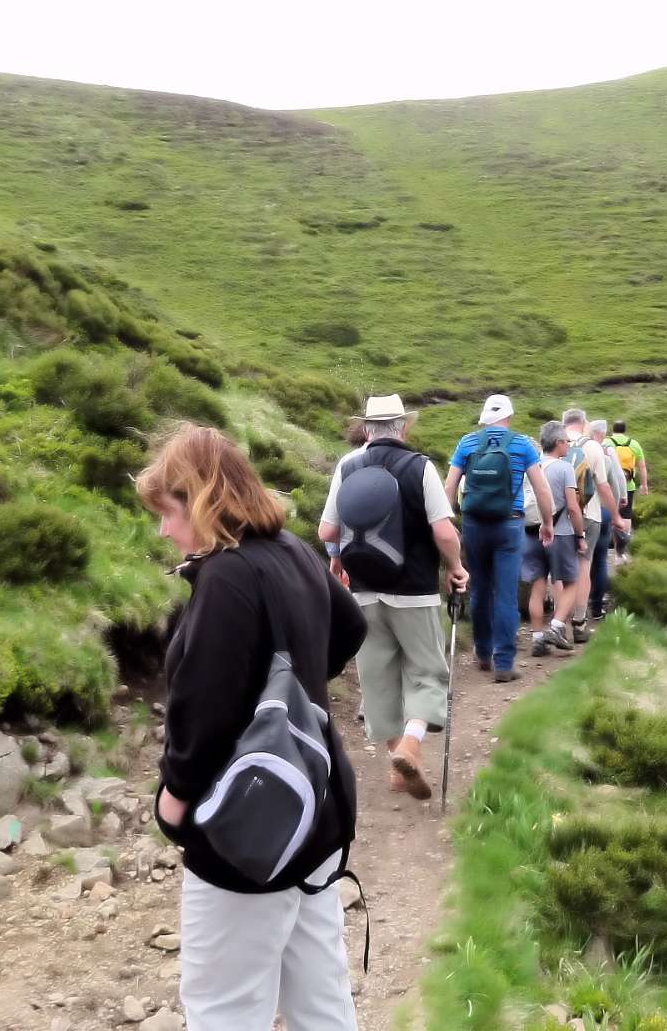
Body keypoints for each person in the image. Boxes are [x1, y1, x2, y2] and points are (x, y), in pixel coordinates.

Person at [140, 424, 367, 1031]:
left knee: (224, 1009)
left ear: (200, 500)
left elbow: (204, 710)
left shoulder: (226, 578)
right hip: (312, 810)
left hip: (246, 832)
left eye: (167, 512)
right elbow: (350, 627)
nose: (163, 530)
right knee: (322, 1003)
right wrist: (295, 696)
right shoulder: (291, 549)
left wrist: (174, 797)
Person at [318, 395, 467, 800]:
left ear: (367, 428)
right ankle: (411, 745)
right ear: (403, 427)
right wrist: (455, 567)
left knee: (378, 680)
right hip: (414, 590)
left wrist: (338, 561)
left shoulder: (348, 466)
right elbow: (443, 532)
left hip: (364, 589)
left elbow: (327, 532)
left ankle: (397, 764)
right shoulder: (420, 467)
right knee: (427, 672)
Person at [442, 395, 558, 684]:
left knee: (479, 589)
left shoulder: (467, 442)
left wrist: (448, 522)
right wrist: (547, 523)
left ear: (484, 418)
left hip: (474, 524)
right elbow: (542, 489)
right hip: (509, 524)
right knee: (506, 594)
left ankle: (483, 653)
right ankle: (504, 663)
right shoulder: (521, 445)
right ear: (509, 416)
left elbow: (450, 484)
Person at [560, 409, 627, 642]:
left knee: (557, 571)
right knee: (583, 567)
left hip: (558, 516)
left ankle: (558, 623)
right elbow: (603, 486)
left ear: (564, 423)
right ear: (583, 423)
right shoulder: (592, 446)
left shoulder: (553, 442)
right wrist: (616, 516)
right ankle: (579, 623)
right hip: (588, 514)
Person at [520, 421, 582, 658]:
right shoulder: (564, 468)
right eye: (567, 441)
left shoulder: (530, 466)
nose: (569, 445)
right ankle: (556, 626)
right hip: (560, 532)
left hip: (530, 532)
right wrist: (580, 535)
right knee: (572, 582)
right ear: (558, 443)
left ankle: (537, 638)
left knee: (538, 585)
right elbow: (573, 508)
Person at [585, 413, 628, 622]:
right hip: (603, 512)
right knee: (600, 560)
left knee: (583, 559)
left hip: (585, 512)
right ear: (602, 434)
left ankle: (577, 605)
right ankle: (596, 607)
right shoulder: (606, 455)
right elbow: (617, 481)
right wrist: (615, 510)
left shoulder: (580, 451)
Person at [605, 419, 650, 527]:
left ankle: (609, 536)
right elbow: (642, 466)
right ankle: (625, 535)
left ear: (612, 430)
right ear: (625, 430)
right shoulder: (634, 444)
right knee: (626, 514)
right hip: (628, 485)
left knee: (608, 511)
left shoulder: (606, 442)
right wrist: (644, 485)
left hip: (609, 484)